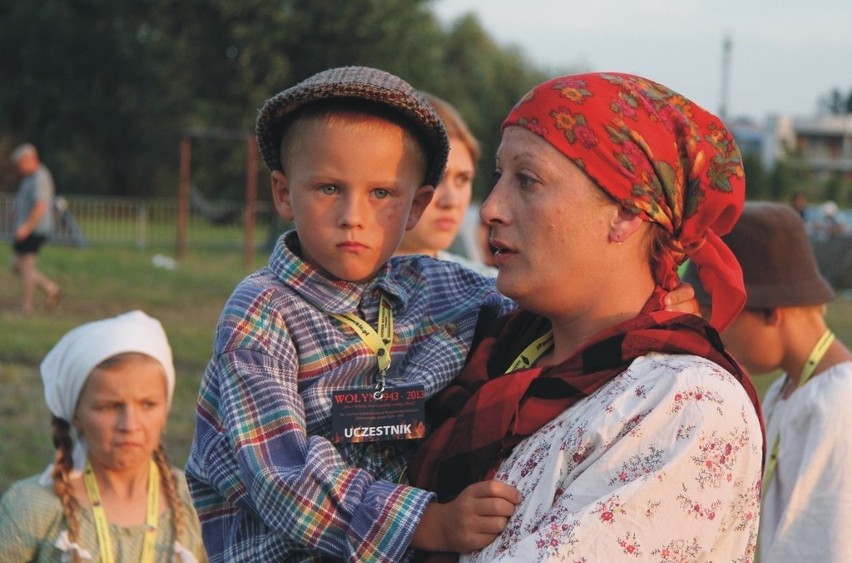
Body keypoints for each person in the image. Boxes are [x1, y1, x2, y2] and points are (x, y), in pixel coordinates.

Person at [409, 72, 765, 561]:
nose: (490, 208)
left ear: (626, 212)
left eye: (527, 181)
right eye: (498, 176)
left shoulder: (686, 405)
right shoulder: (494, 349)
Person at [184, 66, 521, 563]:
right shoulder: (262, 310)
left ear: (416, 207)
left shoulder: (436, 287)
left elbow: (530, 308)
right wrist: (427, 523)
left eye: (381, 194)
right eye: (327, 189)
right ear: (283, 192)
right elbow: (281, 474)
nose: (353, 216)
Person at [683, 202, 852, 562]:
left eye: (722, 317)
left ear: (773, 311)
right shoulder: (787, 390)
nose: (715, 336)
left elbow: (830, 543)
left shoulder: (839, 404)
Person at [0, 310, 206, 562]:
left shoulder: (199, 505)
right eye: (109, 407)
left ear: (166, 409)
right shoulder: (33, 509)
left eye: (147, 405)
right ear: (76, 414)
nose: (130, 425)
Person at [394, 92, 496, 276]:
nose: (451, 201)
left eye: (463, 179)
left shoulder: (488, 289)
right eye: (436, 179)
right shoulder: (334, 291)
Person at [9, 143, 62, 315]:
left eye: (20, 163)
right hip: (26, 228)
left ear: (29, 160)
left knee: (26, 267)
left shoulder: (40, 177)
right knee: (17, 264)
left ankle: (26, 307)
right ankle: (51, 288)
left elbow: (41, 206)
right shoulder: (28, 177)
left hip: (35, 229)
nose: (18, 168)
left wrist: (26, 227)